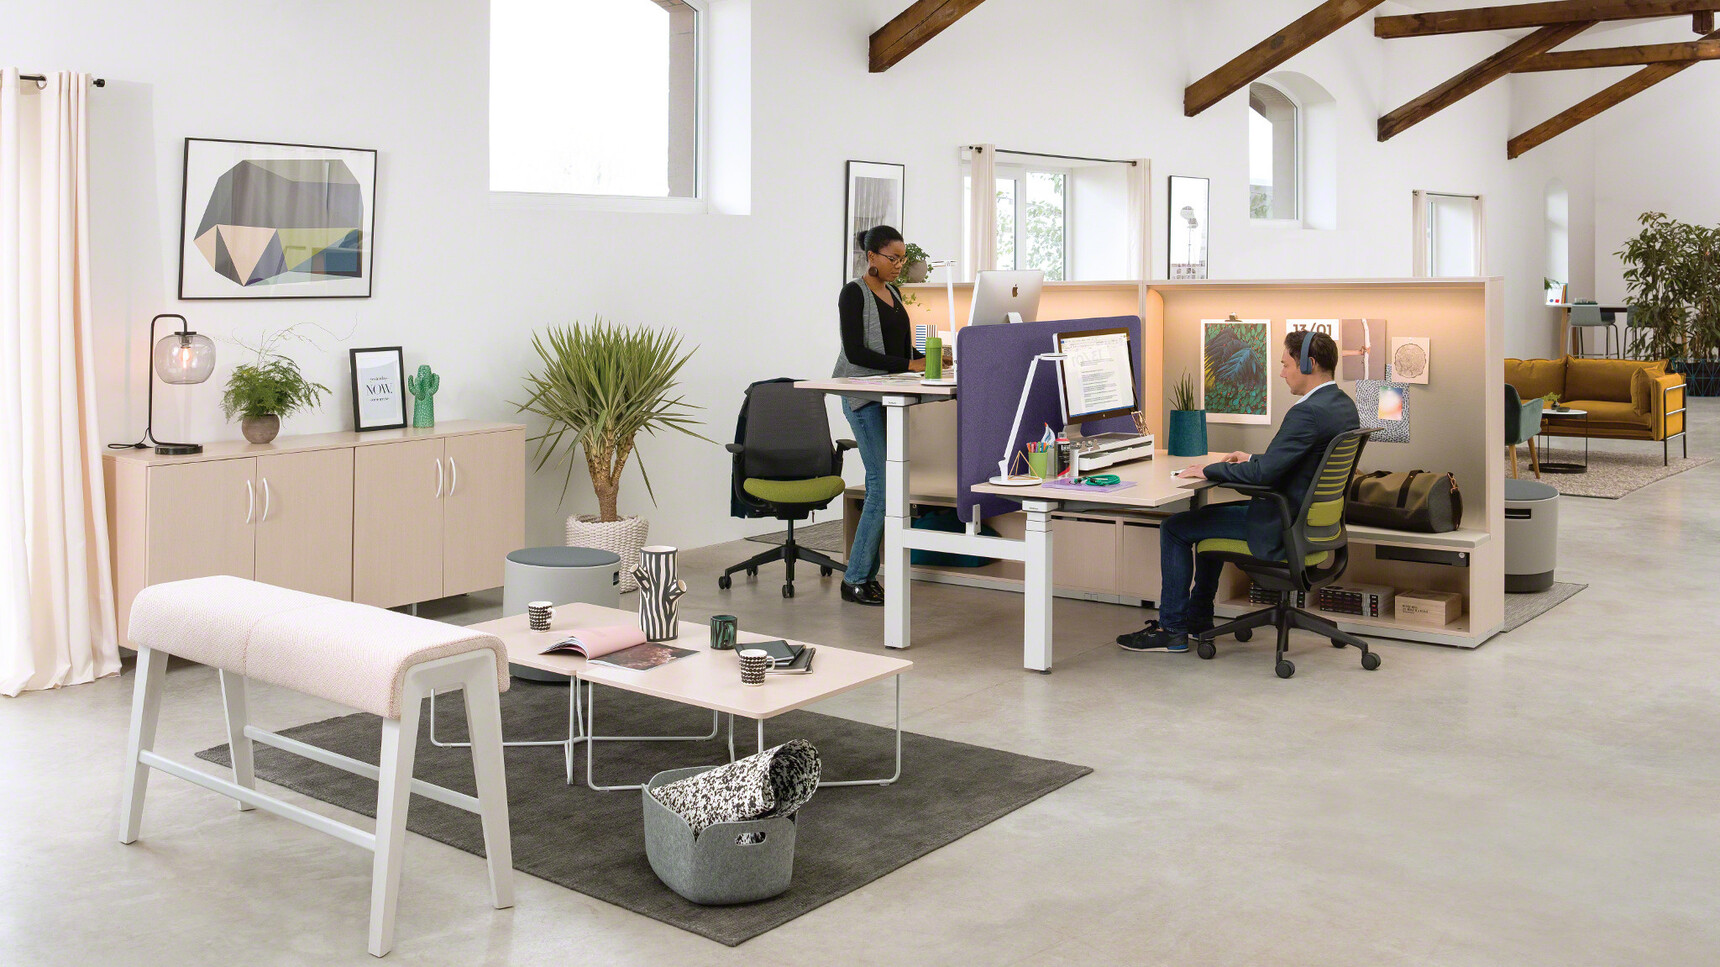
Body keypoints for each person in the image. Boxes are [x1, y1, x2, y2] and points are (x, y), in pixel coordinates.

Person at [1118, 330, 1358, 652]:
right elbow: (1296, 462)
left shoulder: (1307, 412)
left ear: (1308, 364)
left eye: (1286, 365)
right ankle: (1198, 619)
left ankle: (1172, 629)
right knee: (1204, 518)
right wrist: (1252, 458)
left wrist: (1209, 470)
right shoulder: (1342, 405)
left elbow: (1264, 476)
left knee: (1175, 528)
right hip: (1312, 523)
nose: (1282, 373)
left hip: (1279, 525)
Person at [831, 225, 922, 606]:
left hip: (888, 396)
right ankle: (855, 579)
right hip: (861, 398)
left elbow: (902, 350)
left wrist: (930, 359)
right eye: (893, 258)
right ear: (872, 257)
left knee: (890, 484)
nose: (899, 265)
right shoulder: (854, 293)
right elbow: (856, 353)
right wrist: (909, 364)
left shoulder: (894, 293)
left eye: (902, 258)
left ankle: (866, 576)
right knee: (881, 485)